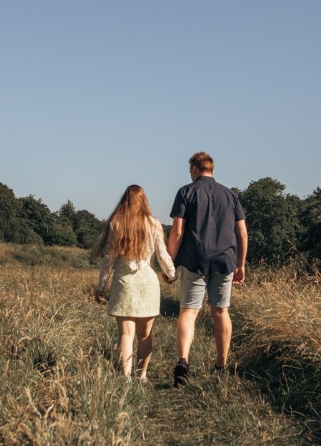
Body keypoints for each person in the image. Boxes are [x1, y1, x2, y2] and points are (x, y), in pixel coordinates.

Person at [167, 151, 247, 386]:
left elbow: (178, 231)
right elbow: (242, 232)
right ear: (212, 169)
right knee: (220, 311)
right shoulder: (231, 195)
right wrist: (240, 264)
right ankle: (221, 365)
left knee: (188, 311)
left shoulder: (186, 192)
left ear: (194, 168)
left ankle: (183, 361)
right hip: (224, 260)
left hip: (195, 259)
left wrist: (170, 262)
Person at [92, 185, 175, 381]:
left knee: (126, 334)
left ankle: (126, 378)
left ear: (125, 200)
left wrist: (101, 287)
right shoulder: (154, 223)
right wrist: (171, 274)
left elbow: (108, 260)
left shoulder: (116, 223)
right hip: (147, 281)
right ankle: (142, 375)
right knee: (145, 335)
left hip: (124, 282)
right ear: (144, 201)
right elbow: (162, 255)